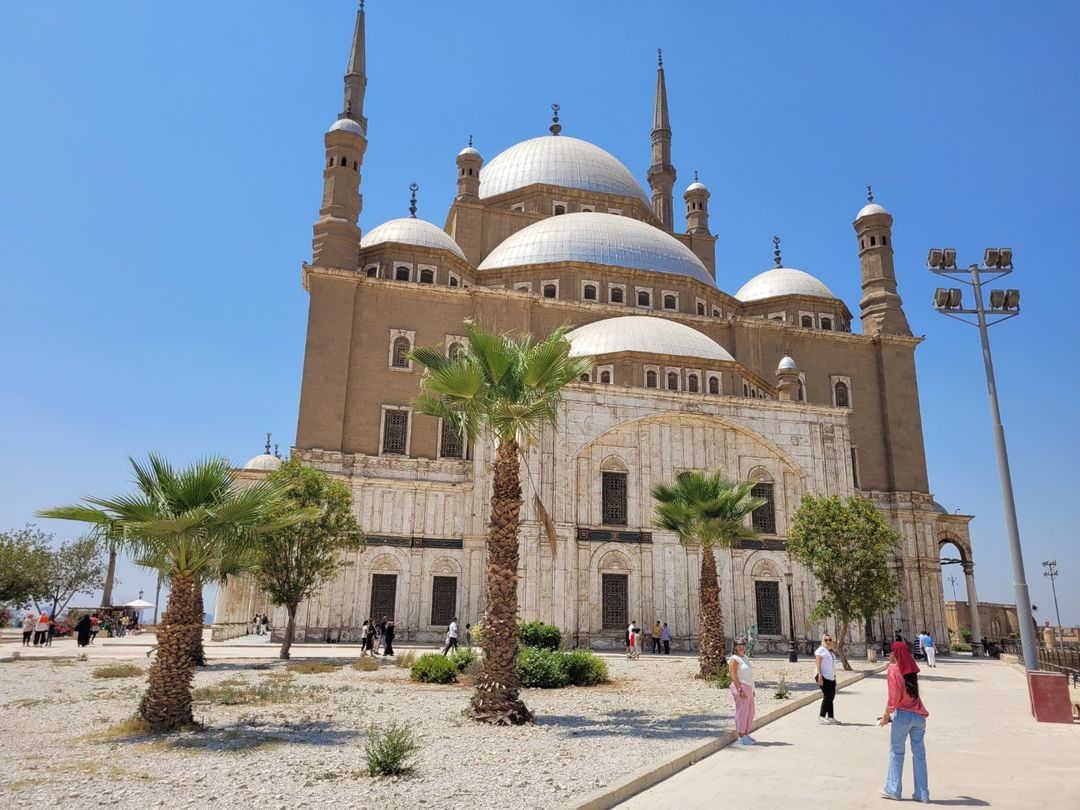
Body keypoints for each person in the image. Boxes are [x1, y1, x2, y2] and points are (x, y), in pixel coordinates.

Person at [878, 641, 930, 802]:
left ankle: (893, 790)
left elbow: (893, 698)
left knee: (896, 753)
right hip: (919, 717)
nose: (888, 654)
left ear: (896, 654)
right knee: (919, 755)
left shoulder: (893, 670)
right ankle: (922, 794)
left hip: (902, 716)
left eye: (890, 652)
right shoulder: (910, 670)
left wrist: (885, 716)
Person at [728, 636, 756, 745]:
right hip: (741, 686)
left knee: (750, 711)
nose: (741, 647)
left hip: (748, 686)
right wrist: (739, 689)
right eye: (739, 646)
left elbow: (749, 674)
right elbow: (733, 674)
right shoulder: (734, 659)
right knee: (742, 712)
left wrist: (753, 688)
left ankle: (746, 733)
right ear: (735, 647)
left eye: (743, 645)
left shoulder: (745, 657)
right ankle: (741, 735)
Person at [815, 633, 839, 725]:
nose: (828, 641)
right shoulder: (821, 650)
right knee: (827, 696)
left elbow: (832, 666)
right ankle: (821, 716)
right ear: (823, 641)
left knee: (831, 697)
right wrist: (820, 676)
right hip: (823, 676)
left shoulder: (831, 652)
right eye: (826, 640)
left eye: (830, 640)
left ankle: (831, 717)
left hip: (831, 677)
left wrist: (834, 677)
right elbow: (818, 663)